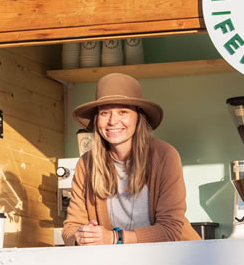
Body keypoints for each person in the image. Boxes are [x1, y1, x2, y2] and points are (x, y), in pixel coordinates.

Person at [62, 72, 201, 245]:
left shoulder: (165, 155)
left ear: (138, 117)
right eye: (105, 113)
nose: (113, 121)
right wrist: (81, 237)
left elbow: (170, 230)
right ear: (97, 119)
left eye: (123, 112)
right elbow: (70, 228)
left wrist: (114, 238)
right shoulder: (87, 164)